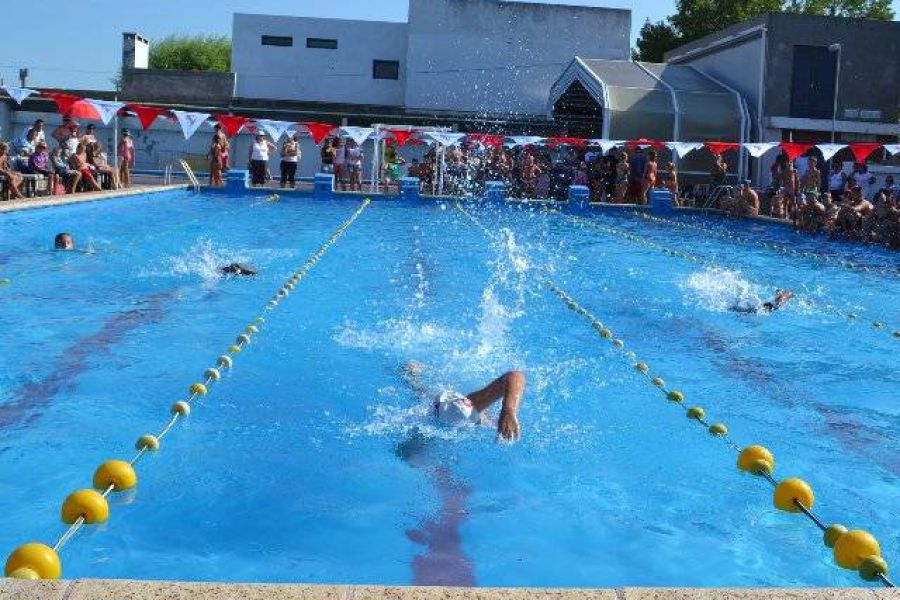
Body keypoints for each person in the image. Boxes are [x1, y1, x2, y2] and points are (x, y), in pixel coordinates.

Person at [402, 362, 525, 442]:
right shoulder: (466, 411)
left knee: (422, 393)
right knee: (422, 392)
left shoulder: (473, 413)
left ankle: (410, 375)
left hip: (447, 411)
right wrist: (508, 410)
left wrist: (507, 411)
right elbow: (515, 376)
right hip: (450, 413)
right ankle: (410, 375)